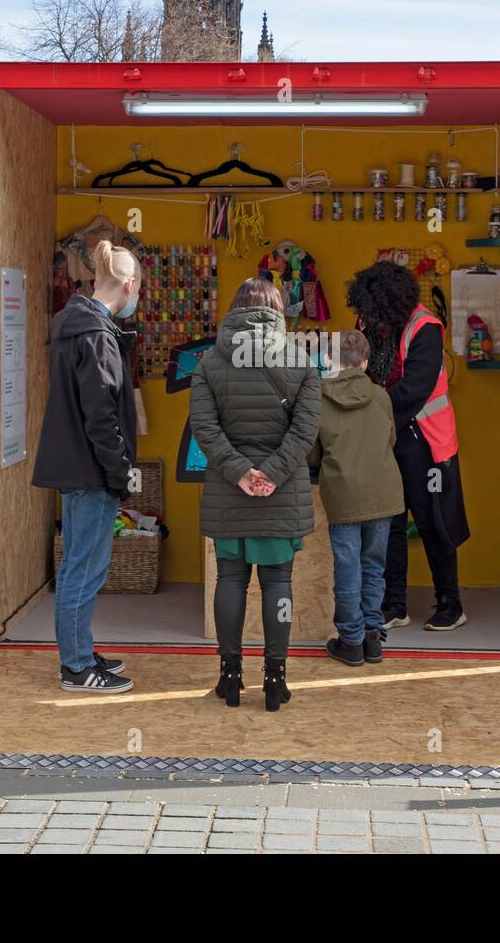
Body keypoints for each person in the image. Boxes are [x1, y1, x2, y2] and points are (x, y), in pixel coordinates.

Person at [189, 278, 320, 710]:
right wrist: (273, 473)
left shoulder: (208, 363)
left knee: (230, 581)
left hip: (230, 491)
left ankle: (229, 677)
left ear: (234, 309)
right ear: (277, 310)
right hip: (280, 493)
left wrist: (241, 473)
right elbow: (306, 431)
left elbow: (205, 430)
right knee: (277, 582)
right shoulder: (301, 361)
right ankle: (275, 679)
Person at [32, 241, 141, 694]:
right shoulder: (97, 336)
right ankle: (76, 667)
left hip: (78, 467)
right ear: (129, 285)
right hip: (91, 471)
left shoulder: (80, 327)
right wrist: (121, 474)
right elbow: (103, 418)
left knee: (82, 565)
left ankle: (80, 651)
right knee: (84, 569)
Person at [347, 262, 470, 631]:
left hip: (425, 440)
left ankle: (451, 604)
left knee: (435, 523)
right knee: (390, 521)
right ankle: (394, 604)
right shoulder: (367, 324)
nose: (366, 318)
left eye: (372, 310)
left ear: (389, 305)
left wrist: (369, 410)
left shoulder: (425, 328)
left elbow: (414, 390)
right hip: (384, 437)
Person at [308, 330, 404, 666]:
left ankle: (350, 640)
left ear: (329, 360)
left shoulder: (317, 397)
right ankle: (373, 638)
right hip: (383, 491)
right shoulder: (381, 396)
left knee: (347, 567)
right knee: (374, 567)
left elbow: (311, 453)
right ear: (364, 363)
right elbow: (389, 438)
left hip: (344, 493)